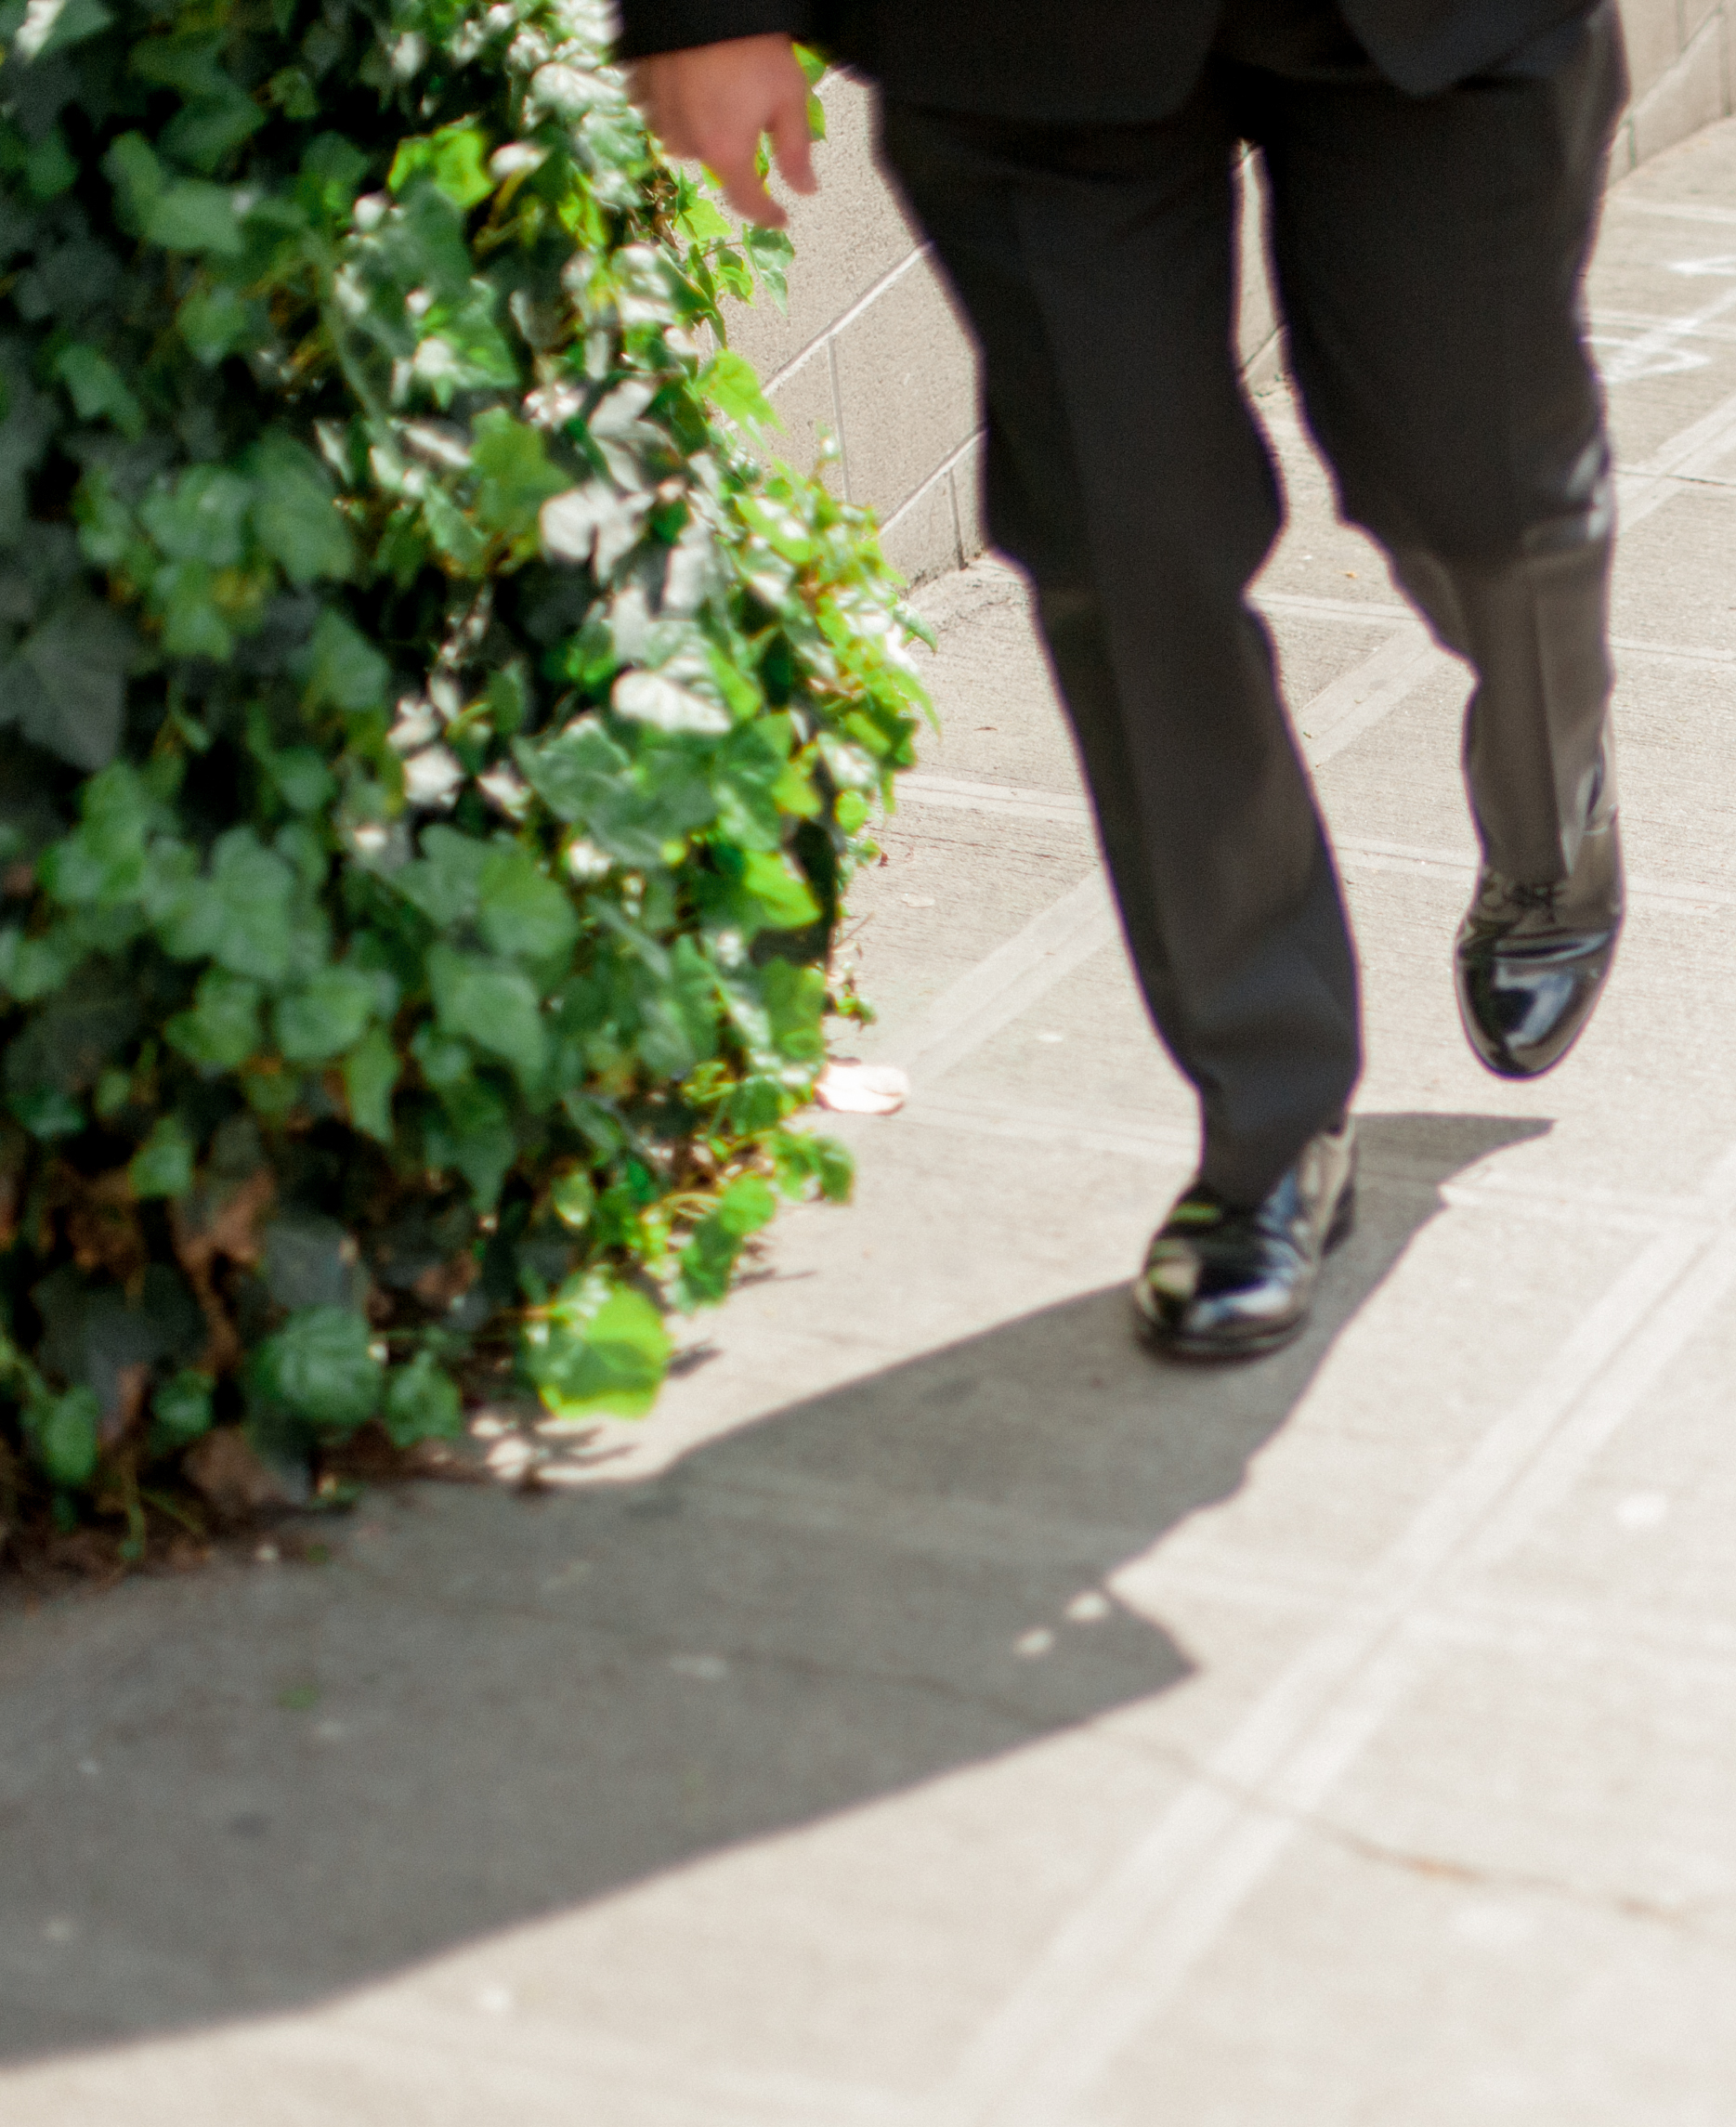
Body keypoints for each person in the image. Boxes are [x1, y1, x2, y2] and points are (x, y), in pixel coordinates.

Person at [618, 0, 1632, 1356]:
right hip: (1027, 46)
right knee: (1124, 547)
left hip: (1436, 31)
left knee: (1482, 497)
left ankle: (1554, 798)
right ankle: (1270, 1127)